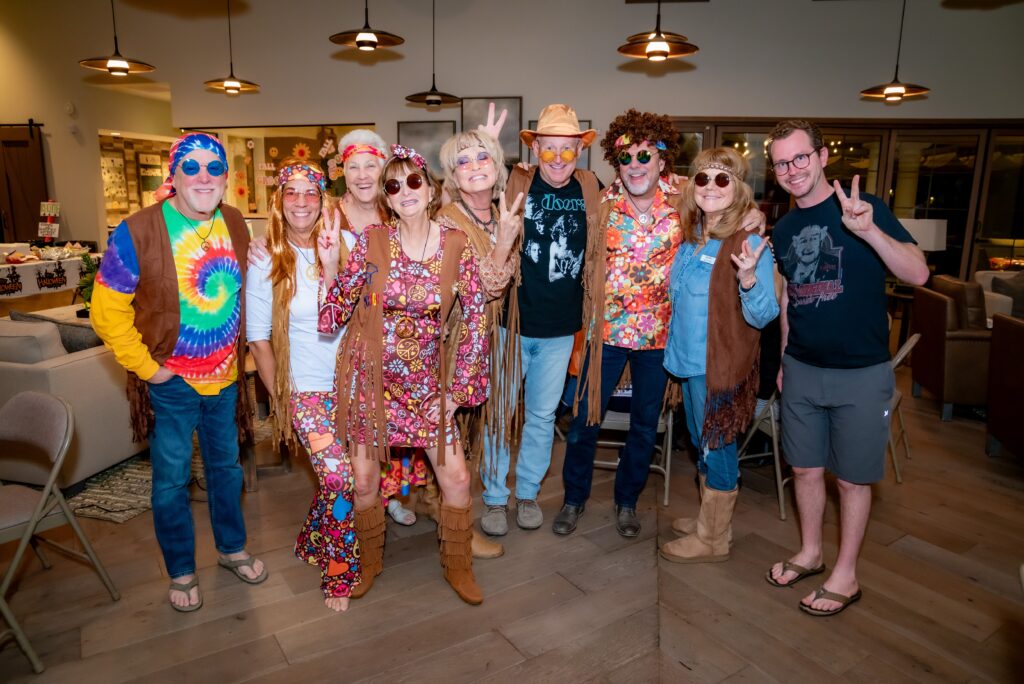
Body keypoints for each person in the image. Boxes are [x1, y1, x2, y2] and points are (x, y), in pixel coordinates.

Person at [91, 132, 266, 612]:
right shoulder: (138, 230)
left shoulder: (233, 221)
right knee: (170, 481)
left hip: (228, 378)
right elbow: (106, 311)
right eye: (192, 167)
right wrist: (148, 368)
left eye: (215, 167)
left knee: (226, 471)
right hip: (172, 384)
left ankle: (231, 549)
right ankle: (182, 571)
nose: (204, 176)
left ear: (227, 179)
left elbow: (247, 289)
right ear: (174, 176)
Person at [764, 120, 928, 616]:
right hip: (803, 369)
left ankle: (846, 575)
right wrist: (786, 358)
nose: (792, 170)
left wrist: (869, 230)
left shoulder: (864, 208)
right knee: (806, 470)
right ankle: (812, 553)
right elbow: (791, 296)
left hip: (861, 371)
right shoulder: (786, 228)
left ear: (821, 155)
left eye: (800, 158)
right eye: (781, 163)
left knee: (853, 479)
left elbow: (918, 273)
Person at [317, 145, 490, 604]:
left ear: (430, 188)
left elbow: (475, 320)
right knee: (366, 483)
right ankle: (368, 563)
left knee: (455, 480)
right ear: (387, 198)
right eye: (393, 185)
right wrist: (331, 264)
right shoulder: (373, 242)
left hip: (428, 386)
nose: (405, 191)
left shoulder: (457, 245)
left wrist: (456, 393)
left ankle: (459, 568)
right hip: (371, 382)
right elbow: (334, 316)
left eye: (414, 181)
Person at [252, 129, 425, 528]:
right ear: (341, 173)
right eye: (354, 167)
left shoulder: (398, 203)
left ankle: (380, 506)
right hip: (315, 379)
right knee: (344, 475)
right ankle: (349, 537)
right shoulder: (331, 224)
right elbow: (265, 331)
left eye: (371, 165)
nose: (363, 175)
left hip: (370, 365)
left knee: (378, 456)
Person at [554, 110, 686, 538]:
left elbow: (732, 204)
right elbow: (557, 190)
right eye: (625, 157)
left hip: (658, 336)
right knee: (584, 420)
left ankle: (627, 500)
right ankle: (574, 498)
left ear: (662, 160)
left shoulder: (686, 200)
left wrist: (753, 220)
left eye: (645, 155)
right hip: (605, 332)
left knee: (646, 426)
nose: (635, 165)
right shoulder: (601, 203)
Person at [479, 104, 602, 536]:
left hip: (560, 329)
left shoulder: (591, 186)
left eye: (566, 150)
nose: (556, 158)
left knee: (542, 417)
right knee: (499, 414)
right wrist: (487, 143)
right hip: (511, 323)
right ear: (537, 148)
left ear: (579, 152)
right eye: (548, 148)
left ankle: (527, 492)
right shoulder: (518, 179)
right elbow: (471, 181)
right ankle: (495, 498)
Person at [245, 158, 359, 612]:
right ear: (279, 200)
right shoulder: (266, 258)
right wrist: (284, 400)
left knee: (353, 480)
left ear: (323, 199)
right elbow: (258, 338)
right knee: (338, 476)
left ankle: (314, 540)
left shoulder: (348, 243)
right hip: (305, 389)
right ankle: (339, 573)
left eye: (310, 192)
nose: (301, 201)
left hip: (353, 386)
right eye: (291, 192)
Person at [658, 147, 779, 563]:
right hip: (689, 363)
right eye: (703, 178)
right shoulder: (694, 236)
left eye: (722, 179)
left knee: (716, 445)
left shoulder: (748, 241)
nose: (711, 186)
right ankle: (709, 520)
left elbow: (765, 314)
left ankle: (714, 538)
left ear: (739, 188)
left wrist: (748, 278)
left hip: (719, 367)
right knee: (700, 441)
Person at [435, 128, 524, 557]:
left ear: (497, 165)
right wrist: (506, 240)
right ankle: (458, 533)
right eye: (462, 161)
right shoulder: (447, 220)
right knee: (456, 440)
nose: (473, 168)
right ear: (451, 175)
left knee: (470, 436)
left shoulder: (498, 209)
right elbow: (486, 287)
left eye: (482, 158)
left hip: (491, 341)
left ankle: (449, 518)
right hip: (453, 347)